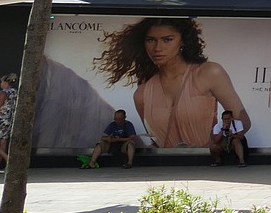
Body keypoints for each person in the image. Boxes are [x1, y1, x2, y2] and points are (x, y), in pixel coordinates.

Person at [94, 17, 250, 148]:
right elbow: (155, 140)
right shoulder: (142, 93)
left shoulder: (208, 73)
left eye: (167, 39)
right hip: (168, 167)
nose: (157, 48)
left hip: (208, 163)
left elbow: (242, 119)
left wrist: (223, 142)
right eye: (150, 40)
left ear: (182, 41)